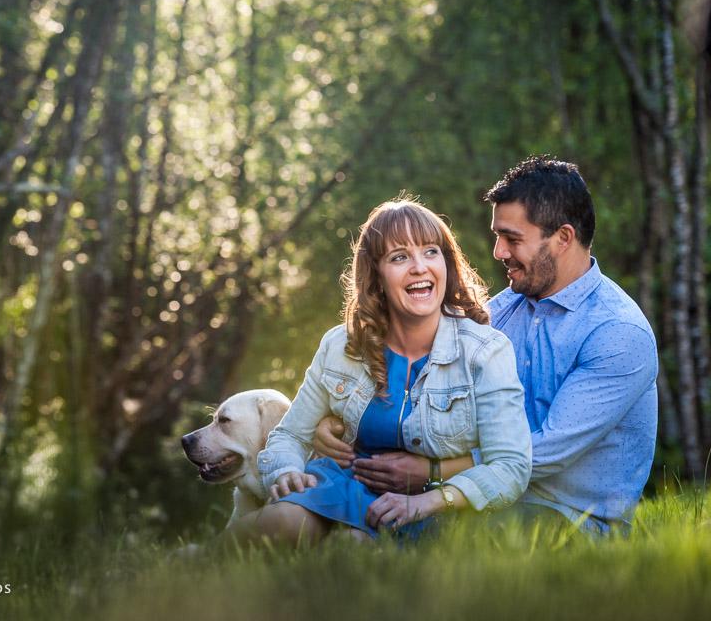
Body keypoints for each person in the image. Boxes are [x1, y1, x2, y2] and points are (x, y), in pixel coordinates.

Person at [314, 157, 658, 534]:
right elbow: (418, 383)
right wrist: (341, 420)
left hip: (566, 517)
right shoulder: (502, 311)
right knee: (336, 511)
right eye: (498, 236)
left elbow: (544, 453)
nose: (498, 252)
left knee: (431, 537)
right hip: (478, 497)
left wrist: (431, 473)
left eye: (512, 238)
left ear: (562, 238)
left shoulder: (617, 332)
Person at [226, 194, 532, 545]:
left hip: (435, 505)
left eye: (431, 252)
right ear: (376, 275)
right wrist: (286, 471)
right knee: (286, 519)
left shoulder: (486, 353)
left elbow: (510, 467)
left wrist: (427, 500)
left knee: (355, 548)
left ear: (446, 264)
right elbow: (290, 435)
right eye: (399, 257)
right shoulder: (341, 345)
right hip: (344, 488)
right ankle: (196, 561)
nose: (419, 267)